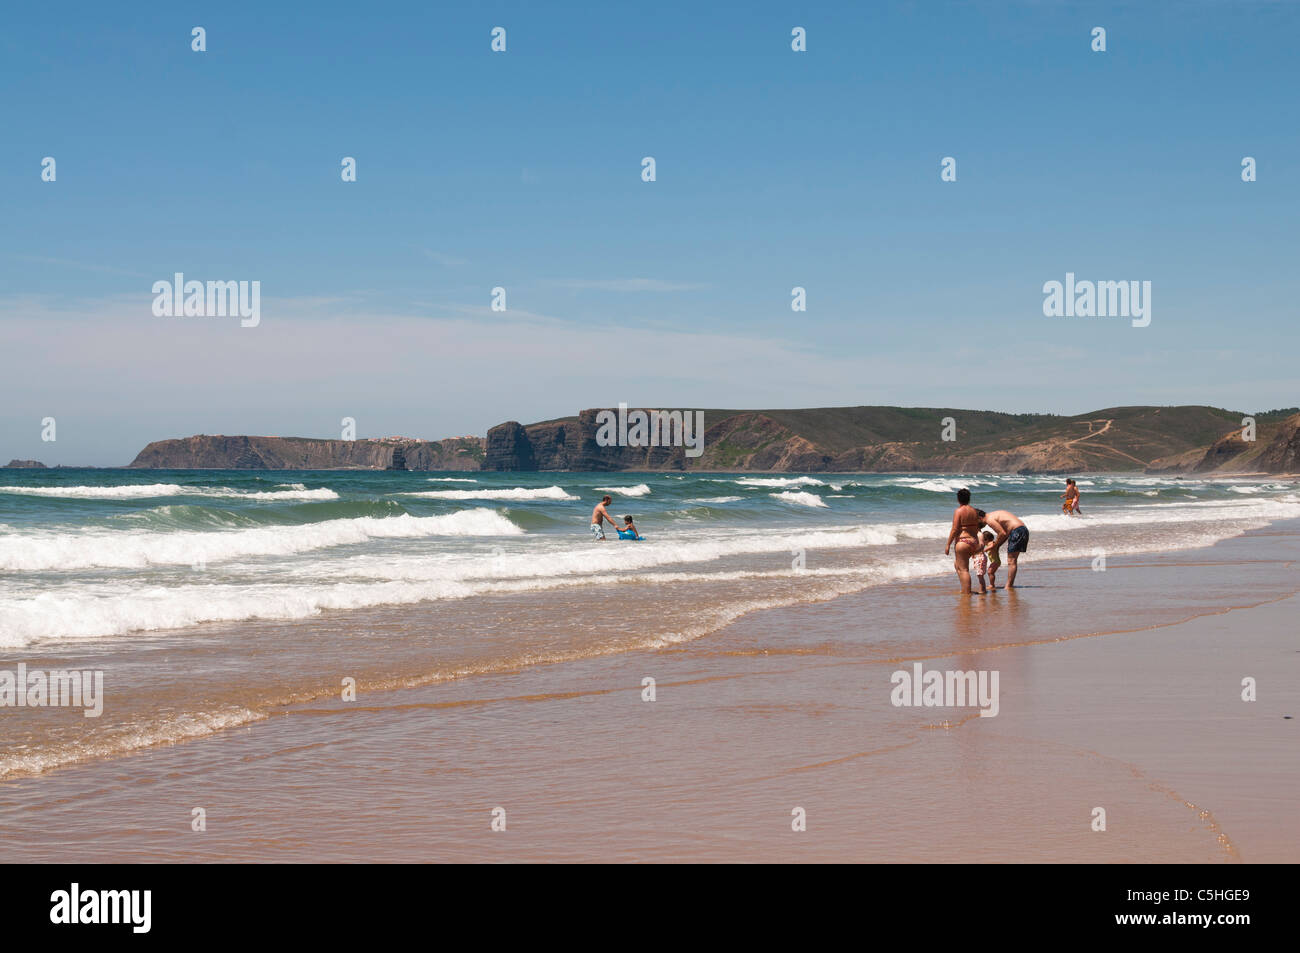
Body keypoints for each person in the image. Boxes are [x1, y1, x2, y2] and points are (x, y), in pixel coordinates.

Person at [944, 488, 983, 594]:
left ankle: (967, 593)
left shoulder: (959, 511)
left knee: (964, 569)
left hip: (963, 541)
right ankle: (964, 589)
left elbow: (955, 529)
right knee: (957, 565)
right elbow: (976, 528)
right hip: (973, 541)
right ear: (969, 498)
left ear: (958, 499)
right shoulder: (974, 511)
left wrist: (948, 544)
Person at [981, 508, 1028, 589]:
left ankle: (1009, 586)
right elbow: (1005, 534)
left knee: (1011, 561)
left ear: (979, 518)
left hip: (1017, 531)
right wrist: (997, 546)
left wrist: (995, 546)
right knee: (1012, 561)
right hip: (1021, 530)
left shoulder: (989, 519)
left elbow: (1002, 533)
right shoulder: (994, 514)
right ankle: (1009, 585)